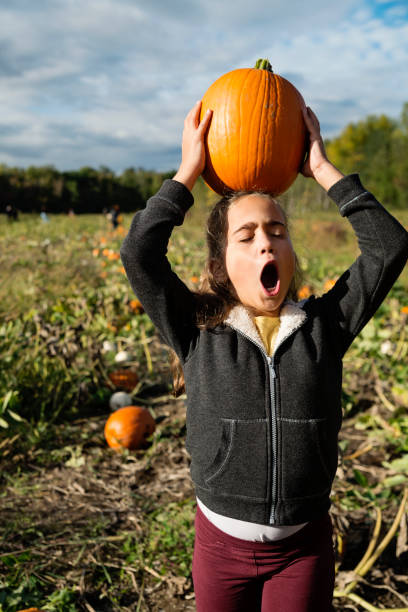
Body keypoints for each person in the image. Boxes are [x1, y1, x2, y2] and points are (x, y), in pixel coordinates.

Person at [120, 101, 408, 611]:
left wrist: (321, 167)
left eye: (277, 232)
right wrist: (187, 172)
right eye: (246, 236)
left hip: (303, 548)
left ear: (291, 253)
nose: (265, 246)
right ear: (222, 262)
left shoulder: (325, 325)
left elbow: (388, 247)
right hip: (220, 547)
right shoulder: (196, 330)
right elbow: (139, 253)